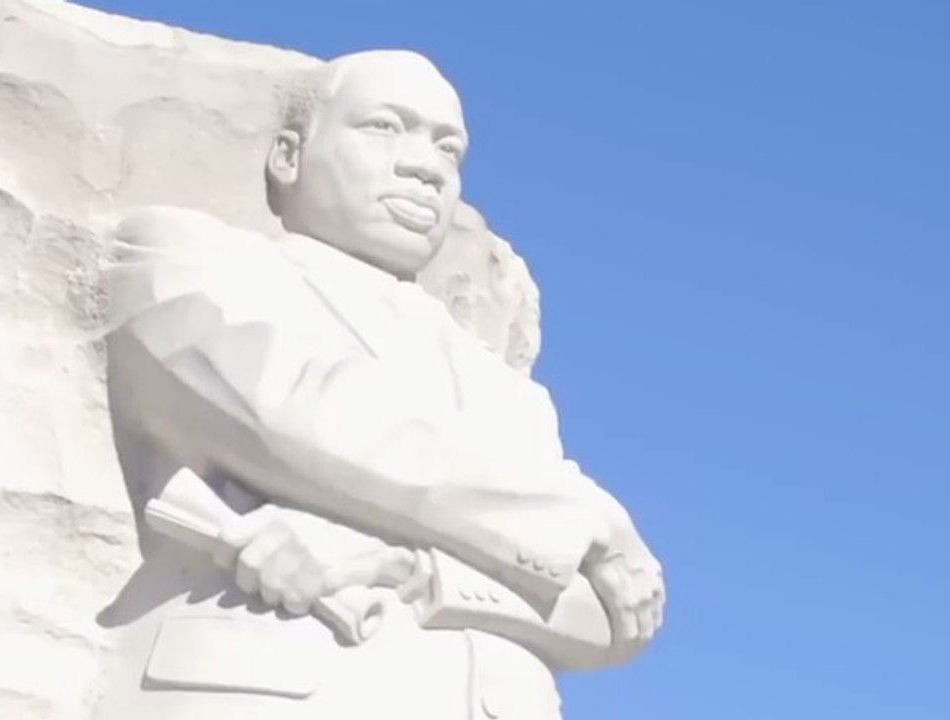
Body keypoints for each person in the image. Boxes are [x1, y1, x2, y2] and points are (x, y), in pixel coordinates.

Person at [99, 50, 664, 720]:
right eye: (384, 128)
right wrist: (586, 518)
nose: (425, 167)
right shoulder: (190, 260)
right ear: (288, 156)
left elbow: (615, 615)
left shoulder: (508, 390)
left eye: (448, 149)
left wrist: (406, 566)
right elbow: (297, 417)